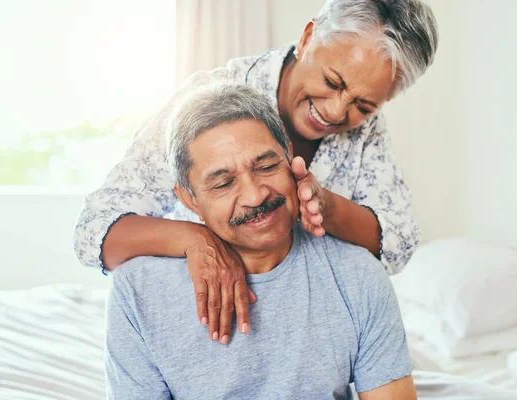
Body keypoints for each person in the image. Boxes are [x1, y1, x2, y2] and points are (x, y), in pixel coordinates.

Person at [75, 0, 438, 343]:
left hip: (310, 340)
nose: (336, 112)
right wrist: (198, 240)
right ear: (307, 38)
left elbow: (398, 244)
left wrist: (325, 207)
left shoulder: (366, 131)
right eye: (332, 82)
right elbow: (94, 231)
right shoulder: (203, 103)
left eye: (363, 104)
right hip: (208, 335)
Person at [105, 84, 416, 399]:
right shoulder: (138, 290)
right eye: (224, 183)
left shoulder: (358, 276)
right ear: (189, 200)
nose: (255, 195)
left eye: (267, 167)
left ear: (291, 160)